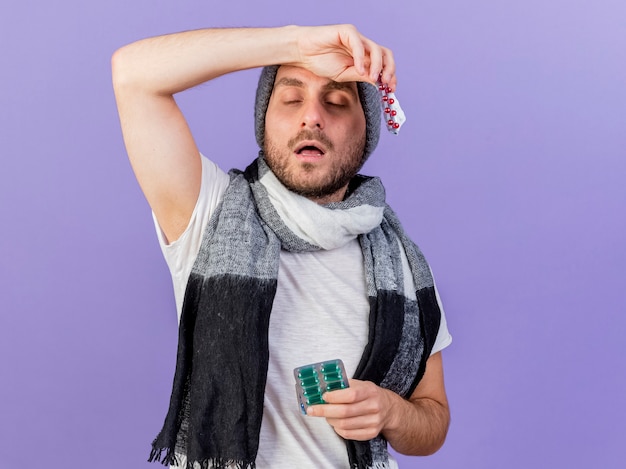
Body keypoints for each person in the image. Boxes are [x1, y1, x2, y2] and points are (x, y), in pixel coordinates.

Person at [112, 24, 452, 469]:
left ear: (366, 132)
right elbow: (133, 75)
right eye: (291, 98)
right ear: (264, 120)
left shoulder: (401, 260)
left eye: (335, 101)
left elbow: (433, 421)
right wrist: (297, 45)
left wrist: (391, 412)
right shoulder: (210, 210)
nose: (311, 116)